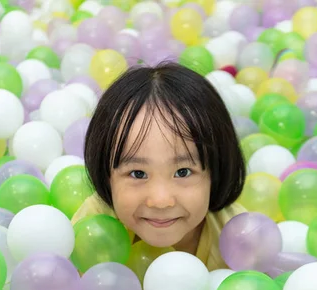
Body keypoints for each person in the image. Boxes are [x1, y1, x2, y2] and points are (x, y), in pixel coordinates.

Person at [72, 62, 246, 271]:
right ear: (107, 176)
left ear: (215, 172)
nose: (161, 200)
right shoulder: (93, 230)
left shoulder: (238, 236)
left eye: (183, 172)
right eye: (138, 173)